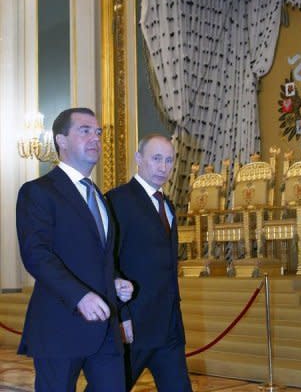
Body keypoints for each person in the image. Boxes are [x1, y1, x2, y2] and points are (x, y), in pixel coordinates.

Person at [16, 107, 133, 392]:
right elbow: (37, 255)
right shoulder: (38, 191)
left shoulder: (100, 198)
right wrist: (79, 295)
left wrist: (116, 282)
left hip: (105, 326)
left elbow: (100, 257)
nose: (95, 138)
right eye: (85, 130)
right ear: (61, 140)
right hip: (60, 326)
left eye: (98, 132)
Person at [106, 134, 192, 392]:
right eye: (156, 159)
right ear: (138, 159)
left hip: (169, 327)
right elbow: (108, 261)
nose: (163, 167)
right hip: (135, 326)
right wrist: (122, 315)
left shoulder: (168, 206)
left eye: (169, 160)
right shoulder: (117, 200)